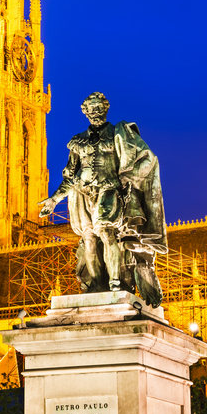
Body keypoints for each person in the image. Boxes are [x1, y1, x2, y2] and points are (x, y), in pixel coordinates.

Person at [39, 91, 167, 307]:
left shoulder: (119, 134)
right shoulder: (77, 141)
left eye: (99, 108)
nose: (96, 112)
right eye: (91, 109)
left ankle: (115, 282)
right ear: (85, 112)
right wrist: (54, 200)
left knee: (107, 233)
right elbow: (70, 176)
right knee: (88, 239)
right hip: (81, 193)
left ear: (106, 109)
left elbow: (148, 159)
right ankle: (97, 286)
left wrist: (128, 178)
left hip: (109, 189)